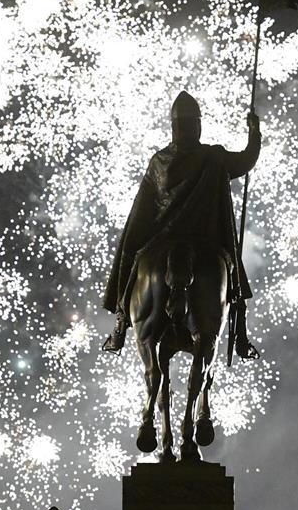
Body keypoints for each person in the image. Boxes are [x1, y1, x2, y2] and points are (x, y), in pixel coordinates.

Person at [101, 90, 261, 360]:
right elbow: (247, 160)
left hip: (163, 238)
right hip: (205, 239)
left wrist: (135, 242)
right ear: (197, 125)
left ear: (174, 127)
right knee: (232, 280)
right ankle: (241, 335)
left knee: (130, 256)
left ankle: (120, 324)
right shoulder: (214, 157)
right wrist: (254, 132)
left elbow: (142, 212)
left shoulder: (159, 161)